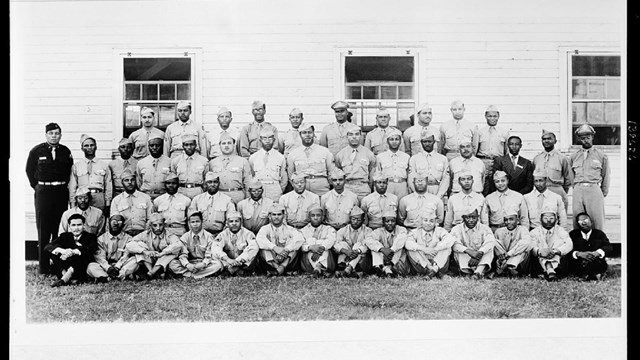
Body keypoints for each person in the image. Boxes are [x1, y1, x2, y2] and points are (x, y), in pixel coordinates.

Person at [26, 122, 74, 274]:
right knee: (44, 228)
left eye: (57, 133)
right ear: (46, 135)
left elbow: (69, 170)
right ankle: (44, 267)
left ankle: (57, 264)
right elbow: (29, 170)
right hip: (44, 192)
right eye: (51, 133)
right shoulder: (36, 151)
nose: (54, 136)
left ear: (61, 135)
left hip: (60, 191)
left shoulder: (65, 151)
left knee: (58, 228)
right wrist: (39, 187)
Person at [569, 124, 610, 231]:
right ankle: (580, 244)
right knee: (578, 218)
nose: (586, 140)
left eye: (588, 137)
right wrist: (577, 187)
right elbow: (571, 175)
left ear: (592, 137)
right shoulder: (574, 156)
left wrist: (602, 192)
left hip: (594, 189)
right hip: (578, 190)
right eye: (583, 138)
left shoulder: (601, 156)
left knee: (597, 219)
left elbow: (606, 175)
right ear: (579, 139)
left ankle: (598, 243)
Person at [44, 214, 98, 287]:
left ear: (84, 226)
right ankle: (65, 275)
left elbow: (92, 248)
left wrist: (73, 252)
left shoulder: (90, 237)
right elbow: (48, 246)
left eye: (79, 225)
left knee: (83, 253)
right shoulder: (64, 236)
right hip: (65, 266)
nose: (76, 228)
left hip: (80, 267)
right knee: (54, 252)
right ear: (69, 226)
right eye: (73, 225)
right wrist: (63, 251)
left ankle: (64, 279)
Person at [125, 213, 182, 280]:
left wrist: (163, 253)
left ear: (164, 224)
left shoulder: (169, 234)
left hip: (163, 263)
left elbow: (178, 244)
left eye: (160, 225)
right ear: (150, 225)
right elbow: (129, 244)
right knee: (139, 246)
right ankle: (153, 272)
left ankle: (151, 273)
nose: (158, 228)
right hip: (148, 262)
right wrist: (145, 251)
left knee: (171, 252)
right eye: (155, 225)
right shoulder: (145, 234)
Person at [167, 211, 223, 279]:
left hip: (203, 263)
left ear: (202, 222)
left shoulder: (209, 236)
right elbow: (182, 255)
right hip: (190, 262)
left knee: (218, 265)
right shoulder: (185, 236)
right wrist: (187, 265)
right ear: (189, 223)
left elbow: (209, 255)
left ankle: (189, 275)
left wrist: (203, 264)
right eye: (192, 222)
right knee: (172, 264)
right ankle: (201, 275)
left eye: (197, 221)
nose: (195, 224)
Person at [286, 122, 336, 196]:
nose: (307, 135)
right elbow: (291, 176)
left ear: (313, 134)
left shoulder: (325, 152)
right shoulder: (293, 154)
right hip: (302, 191)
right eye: (304, 133)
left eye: (310, 132)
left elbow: (332, 172)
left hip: (321, 190)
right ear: (300, 135)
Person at [255, 203, 305, 276]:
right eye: (274, 215)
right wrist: (274, 248)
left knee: (295, 246)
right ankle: (278, 268)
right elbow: (260, 239)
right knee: (264, 247)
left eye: (279, 214)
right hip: (272, 261)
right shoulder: (265, 228)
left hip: (286, 259)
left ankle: (281, 268)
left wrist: (286, 250)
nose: (276, 217)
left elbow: (300, 239)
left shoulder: (290, 229)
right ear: (269, 216)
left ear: (284, 216)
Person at [405, 208, 456, 279]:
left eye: (431, 221)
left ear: (435, 222)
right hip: (422, 265)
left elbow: (450, 239)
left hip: (438, 262)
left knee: (447, 248)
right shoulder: (415, 232)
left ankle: (433, 270)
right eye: (425, 220)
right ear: (421, 222)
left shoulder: (440, 230)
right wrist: (424, 249)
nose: (428, 223)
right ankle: (432, 270)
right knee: (412, 249)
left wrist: (436, 248)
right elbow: (408, 243)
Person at [68, 134, 113, 215]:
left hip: (99, 198)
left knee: (99, 221)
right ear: (82, 148)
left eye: (92, 145)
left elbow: (108, 186)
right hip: (82, 198)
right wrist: (73, 205)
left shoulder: (103, 165)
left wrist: (107, 204)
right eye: (86, 146)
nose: (89, 148)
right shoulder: (76, 166)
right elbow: (72, 187)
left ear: (96, 147)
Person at [86, 214, 137, 282]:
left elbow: (126, 255)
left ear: (123, 225)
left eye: (119, 222)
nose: (116, 224)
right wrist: (108, 268)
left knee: (135, 260)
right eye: (113, 221)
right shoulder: (101, 239)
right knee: (91, 266)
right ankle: (107, 277)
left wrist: (117, 267)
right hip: (106, 266)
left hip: (121, 266)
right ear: (108, 223)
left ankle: (119, 276)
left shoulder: (129, 238)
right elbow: (100, 258)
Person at [532, 129, 573, 211]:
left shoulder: (562, 158)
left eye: (549, 139)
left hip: (556, 189)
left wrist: (561, 191)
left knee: (559, 216)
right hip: (541, 191)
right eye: (544, 139)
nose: (546, 141)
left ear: (555, 141)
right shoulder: (537, 158)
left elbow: (568, 178)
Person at [564, 212, 613, 281]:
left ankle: (593, 274)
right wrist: (579, 254)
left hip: (596, 260)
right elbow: (567, 250)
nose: (584, 223)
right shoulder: (573, 234)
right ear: (578, 224)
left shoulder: (599, 233)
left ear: (591, 222)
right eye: (580, 221)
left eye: (586, 220)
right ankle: (591, 274)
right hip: (579, 263)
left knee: (597, 263)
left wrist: (597, 253)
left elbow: (608, 247)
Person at [450, 207, 496, 279]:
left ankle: (477, 273)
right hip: (466, 257)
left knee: (489, 249)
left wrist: (479, 254)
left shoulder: (484, 228)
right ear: (463, 217)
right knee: (459, 250)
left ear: (478, 217)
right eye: (468, 217)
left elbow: (490, 242)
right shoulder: (456, 229)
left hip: (480, 257)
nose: (471, 220)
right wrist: (469, 252)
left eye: (474, 217)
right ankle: (469, 272)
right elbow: (454, 244)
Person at [529, 206, 573, 281]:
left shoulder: (561, 230)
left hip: (557, 257)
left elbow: (569, 244)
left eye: (551, 218)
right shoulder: (534, 232)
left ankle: (549, 270)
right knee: (538, 253)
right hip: (540, 258)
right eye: (545, 218)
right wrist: (541, 251)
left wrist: (556, 251)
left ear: (556, 220)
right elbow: (532, 245)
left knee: (561, 252)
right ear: (540, 220)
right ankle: (550, 271)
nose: (548, 220)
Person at [334, 125, 377, 201]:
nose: (354, 137)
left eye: (357, 134)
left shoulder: (369, 154)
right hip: (347, 188)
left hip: (363, 189)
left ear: (361, 136)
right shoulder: (340, 154)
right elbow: (338, 172)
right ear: (347, 136)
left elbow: (372, 175)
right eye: (351, 134)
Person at [187, 171, 236, 237]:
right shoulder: (197, 199)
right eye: (210, 182)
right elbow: (191, 220)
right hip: (201, 235)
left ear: (219, 183)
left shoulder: (227, 200)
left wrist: (221, 235)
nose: (212, 184)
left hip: (220, 235)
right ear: (205, 184)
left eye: (215, 182)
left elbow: (231, 221)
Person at [212, 211, 260, 276]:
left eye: (236, 221)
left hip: (242, 262)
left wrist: (239, 261)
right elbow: (215, 248)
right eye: (231, 221)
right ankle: (237, 271)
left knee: (253, 252)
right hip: (228, 262)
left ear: (241, 222)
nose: (234, 224)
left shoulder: (248, 234)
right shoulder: (223, 234)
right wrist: (227, 259)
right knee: (215, 253)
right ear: (227, 223)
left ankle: (233, 271)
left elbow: (254, 247)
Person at [475, 105, 510, 196]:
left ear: (498, 117)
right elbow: (475, 149)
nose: (492, 118)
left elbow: (506, 151)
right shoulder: (480, 132)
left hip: (498, 162)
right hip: (483, 161)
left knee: (497, 185)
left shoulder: (504, 132)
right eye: (490, 116)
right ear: (485, 116)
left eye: (495, 116)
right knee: (483, 185)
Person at [208, 133, 252, 204]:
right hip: (219, 196)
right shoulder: (212, 163)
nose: (226, 145)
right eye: (223, 143)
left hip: (237, 196)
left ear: (233, 145)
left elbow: (248, 182)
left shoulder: (243, 161)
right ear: (219, 146)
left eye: (229, 143)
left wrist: (248, 200)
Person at [364, 210, 410, 277]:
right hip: (383, 258)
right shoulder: (379, 231)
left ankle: (387, 268)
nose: (390, 223)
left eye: (393, 221)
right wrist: (382, 249)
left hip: (396, 260)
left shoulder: (401, 229)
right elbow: (368, 239)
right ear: (383, 222)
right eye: (387, 221)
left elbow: (401, 239)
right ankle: (380, 268)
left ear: (396, 221)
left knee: (399, 247)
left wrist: (391, 250)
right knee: (375, 246)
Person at [110, 169, 154, 237]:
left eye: (132, 180)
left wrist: (145, 234)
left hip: (143, 233)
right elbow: (115, 222)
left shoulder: (146, 198)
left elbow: (150, 219)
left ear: (136, 181)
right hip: (124, 235)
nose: (130, 182)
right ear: (122, 183)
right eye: (126, 180)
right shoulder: (116, 200)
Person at [248, 127, 288, 202]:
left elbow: (284, 179)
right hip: (259, 190)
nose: (267, 141)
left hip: (274, 189)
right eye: (264, 138)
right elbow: (251, 176)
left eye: (270, 138)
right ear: (260, 140)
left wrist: (278, 189)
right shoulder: (253, 157)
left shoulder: (280, 157)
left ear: (274, 139)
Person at [407, 132, 450, 201]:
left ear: (434, 142)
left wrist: (439, 196)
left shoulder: (443, 159)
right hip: (420, 190)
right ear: (421, 142)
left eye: (429, 141)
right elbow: (411, 178)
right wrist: (418, 194)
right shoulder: (414, 159)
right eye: (425, 142)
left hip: (437, 189)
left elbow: (446, 179)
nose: (427, 144)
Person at [492, 206, 532, 278]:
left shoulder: (523, 230)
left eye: (511, 219)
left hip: (518, 260)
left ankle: (508, 266)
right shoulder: (499, 231)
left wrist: (508, 255)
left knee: (523, 247)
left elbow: (526, 243)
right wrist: (502, 256)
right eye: (506, 220)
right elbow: (498, 248)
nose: (508, 222)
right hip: (502, 258)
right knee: (492, 241)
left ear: (518, 220)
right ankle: (507, 268)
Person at [333, 206, 373, 278]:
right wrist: (345, 251)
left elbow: (368, 245)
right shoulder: (343, 230)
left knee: (359, 245)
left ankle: (349, 268)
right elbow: (335, 243)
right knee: (342, 244)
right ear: (350, 219)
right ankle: (347, 268)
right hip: (346, 256)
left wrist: (357, 251)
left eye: (358, 220)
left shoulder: (368, 231)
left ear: (363, 220)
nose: (355, 222)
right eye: (353, 219)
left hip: (361, 259)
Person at [299, 205, 337, 277]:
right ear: (309, 217)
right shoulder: (303, 230)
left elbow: (331, 240)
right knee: (311, 242)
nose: (315, 218)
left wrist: (320, 248)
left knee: (323, 244)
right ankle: (318, 268)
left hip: (327, 259)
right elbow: (301, 245)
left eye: (318, 215)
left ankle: (317, 268)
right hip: (308, 262)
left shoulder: (329, 229)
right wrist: (310, 247)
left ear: (323, 217)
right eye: (313, 215)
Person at [171, 133, 209, 200]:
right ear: (183, 146)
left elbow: (207, 179)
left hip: (197, 192)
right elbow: (173, 179)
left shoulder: (204, 161)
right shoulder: (175, 161)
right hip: (181, 192)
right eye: (186, 145)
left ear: (195, 145)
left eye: (191, 144)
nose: (189, 147)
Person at [152, 173, 191, 238]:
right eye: (168, 183)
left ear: (178, 185)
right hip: (163, 232)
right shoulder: (158, 201)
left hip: (180, 232)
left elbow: (189, 221)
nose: (171, 185)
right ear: (164, 185)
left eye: (174, 183)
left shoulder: (186, 200)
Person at [376, 129, 411, 201]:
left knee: (402, 207)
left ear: (400, 141)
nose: (394, 142)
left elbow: (409, 176)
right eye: (391, 139)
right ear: (387, 141)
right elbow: (377, 175)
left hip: (402, 186)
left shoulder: (406, 157)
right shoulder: (380, 157)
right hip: (388, 186)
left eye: (397, 139)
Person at [136, 133, 172, 201]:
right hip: (146, 197)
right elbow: (139, 182)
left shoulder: (169, 162)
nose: (154, 148)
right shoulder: (141, 163)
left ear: (162, 146)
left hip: (164, 197)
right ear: (148, 146)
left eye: (157, 145)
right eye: (152, 145)